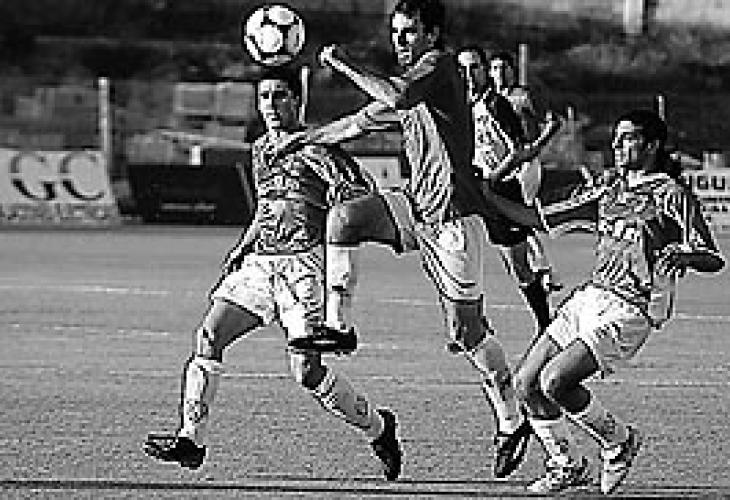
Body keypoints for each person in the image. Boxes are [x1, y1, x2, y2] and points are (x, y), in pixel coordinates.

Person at [279, 0, 531, 479]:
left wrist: (342, 62)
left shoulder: (438, 67)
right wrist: (304, 140)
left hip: (454, 217)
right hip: (419, 207)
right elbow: (357, 123)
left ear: (432, 35)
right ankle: (338, 325)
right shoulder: (410, 86)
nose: (400, 40)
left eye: (409, 31)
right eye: (395, 31)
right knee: (345, 219)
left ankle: (511, 420)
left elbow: (396, 97)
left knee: (466, 332)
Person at [142, 68, 403, 481]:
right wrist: (243, 246)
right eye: (264, 97)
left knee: (307, 373)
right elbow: (267, 206)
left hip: (302, 268)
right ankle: (191, 440)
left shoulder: (320, 147)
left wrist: (338, 201)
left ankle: (379, 428)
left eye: (280, 95)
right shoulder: (261, 148)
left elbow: (360, 196)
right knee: (209, 336)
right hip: (262, 264)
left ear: (298, 100)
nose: (271, 105)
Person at [488, 109, 724, 494]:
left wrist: (686, 255)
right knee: (525, 384)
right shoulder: (610, 187)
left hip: (630, 309)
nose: (616, 145)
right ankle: (566, 465)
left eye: (627, 138)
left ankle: (619, 441)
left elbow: (712, 256)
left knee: (555, 381)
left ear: (652, 145)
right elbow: (540, 218)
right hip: (590, 298)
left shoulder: (671, 194)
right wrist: (484, 196)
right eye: (616, 137)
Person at [456, 45, 553, 334]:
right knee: (461, 254)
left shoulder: (497, 105)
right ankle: (472, 323)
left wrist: (493, 179)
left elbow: (518, 150)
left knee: (518, 267)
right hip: (472, 190)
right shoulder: (461, 105)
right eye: (463, 69)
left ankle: (546, 323)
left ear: (485, 71)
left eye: (475, 68)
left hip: (501, 191)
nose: (469, 75)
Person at [487, 50, 563, 293]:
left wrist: (536, 147)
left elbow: (554, 121)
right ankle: (537, 268)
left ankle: (545, 270)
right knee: (511, 218)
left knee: (519, 215)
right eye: (495, 68)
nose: (500, 73)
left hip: (525, 165)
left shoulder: (522, 96)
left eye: (504, 68)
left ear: (513, 71)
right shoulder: (488, 101)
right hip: (503, 167)